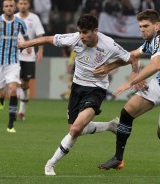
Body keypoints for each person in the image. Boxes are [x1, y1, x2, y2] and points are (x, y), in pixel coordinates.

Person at [17, 14, 139, 176]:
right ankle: (110, 126)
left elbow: (132, 58)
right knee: (78, 130)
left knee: (74, 130)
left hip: (96, 90)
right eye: (80, 32)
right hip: (77, 89)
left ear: (95, 31)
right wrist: (25, 44)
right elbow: (47, 39)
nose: (81, 36)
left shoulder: (109, 44)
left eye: (85, 33)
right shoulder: (74, 38)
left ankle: (50, 164)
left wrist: (116, 70)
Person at [93, 9, 160, 170]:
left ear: (157, 25)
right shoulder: (151, 40)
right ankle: (118, 159)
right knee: (127, 113)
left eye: (146, 26)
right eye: (140, 26)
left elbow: (155, 65)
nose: (142, 29)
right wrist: (108, 67)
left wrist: (130, 82)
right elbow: (132, 55)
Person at [0, 0, 28, 133]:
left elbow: (25, 38)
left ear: (14, 8)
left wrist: (25, 45)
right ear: (3, 8)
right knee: (0, 93)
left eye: (11, 6)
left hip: (13, 62)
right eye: (6, 6)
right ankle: (1, 99)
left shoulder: (20, 23)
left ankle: (10, 124)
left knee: (13, 89)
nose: (9, 8)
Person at [15, 0, 45, 121]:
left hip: (29, 55)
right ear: (17, 5)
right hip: (14, 54)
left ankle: (22, 111)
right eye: (21, 3)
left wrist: (40, 50)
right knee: (15, 81)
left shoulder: (34, 18)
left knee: (25, 84)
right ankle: (16, 108)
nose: (23, 6)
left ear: (29, 5)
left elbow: (40, 36)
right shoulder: (14, 18)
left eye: (25, 3)